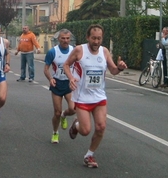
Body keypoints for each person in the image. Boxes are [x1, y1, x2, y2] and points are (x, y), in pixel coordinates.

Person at [63, 24, 127, 168]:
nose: (96, 42)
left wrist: (120, 68)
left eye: (99, 39)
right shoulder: (79, 50)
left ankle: (89, 155)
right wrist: (71, 78)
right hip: (82, 97)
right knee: (85, 131)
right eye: (93, 38)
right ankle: (76, 125)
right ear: (88, 37)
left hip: (99, 97)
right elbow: (66, 65)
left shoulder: (104, 52)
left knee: (101, 127)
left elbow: (113, 70)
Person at [44, 29, 76, 144]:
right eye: (63, 38)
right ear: (59, 39)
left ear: (70, 39)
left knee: (73, 109)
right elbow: (46, 69)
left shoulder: (74, 51)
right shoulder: (53, 52)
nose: (65, 40)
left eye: (67, 38)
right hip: (57, 84)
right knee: (56, 112)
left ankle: (64, 115)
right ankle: (55, 132)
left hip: (69, 84)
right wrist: (50, 78)